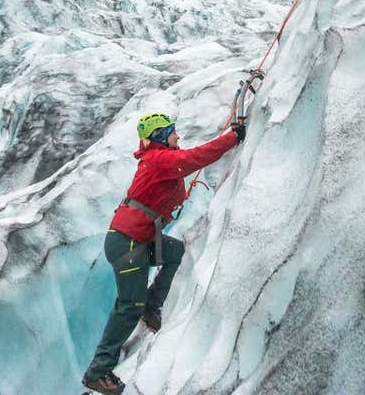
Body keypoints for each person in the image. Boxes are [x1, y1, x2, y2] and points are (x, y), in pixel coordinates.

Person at [82, 111, 246, 395]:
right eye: (172, 131)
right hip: (128, 242)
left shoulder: (159, 160)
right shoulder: (160, 159)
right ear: (160, 136)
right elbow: (192, 159)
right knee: (128, 305)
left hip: (138, 238)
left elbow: (176, 173)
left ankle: (151, 305)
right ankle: (98, 371)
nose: (177, 135)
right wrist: (232, 138)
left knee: (175, 253)